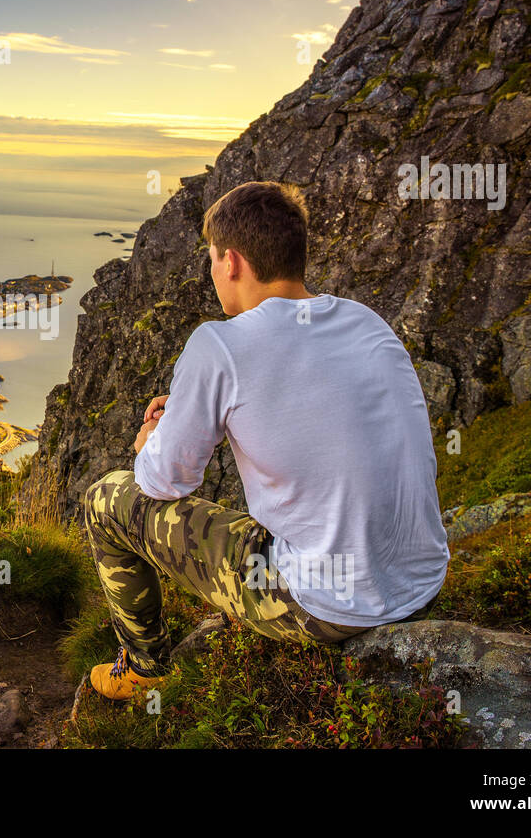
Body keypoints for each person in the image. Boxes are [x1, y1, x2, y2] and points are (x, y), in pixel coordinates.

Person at [81, 181, 450, 701]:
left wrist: (150, 442)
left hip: (328, 606)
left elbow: (166, 481)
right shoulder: (366, 322)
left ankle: (145, 669)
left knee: (106, 500)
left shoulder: (220, 344)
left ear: (231, 261)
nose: (211, 273)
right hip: (422, 581)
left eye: (211, 259)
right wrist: (194, 409)